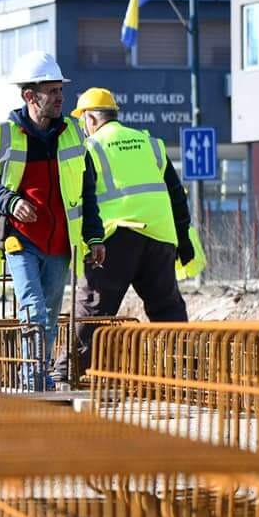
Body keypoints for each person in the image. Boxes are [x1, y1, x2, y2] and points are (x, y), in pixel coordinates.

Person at [0, 51, 105, 390]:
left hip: (60, 245)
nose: (61, 97)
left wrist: (95, 237)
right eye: (52, 91)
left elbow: (87, 191)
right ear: (30, 96)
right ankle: (33, 380)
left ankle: (37, 375)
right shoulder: (0, 137)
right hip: (20, 240)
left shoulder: (74, 135)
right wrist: (11, 202)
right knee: (34, 309)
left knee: (50, 318)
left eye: (61, 90)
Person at [72, 87, 194, 337]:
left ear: (90, 118)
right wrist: (183, 240)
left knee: (93, 314)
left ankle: (71, 363)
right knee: (168, 311)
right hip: (160, 237)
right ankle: (182, 361)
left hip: (114, 239)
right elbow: (177, 196)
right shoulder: (151, 144)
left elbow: (81, 198)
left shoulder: (90, 147)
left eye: (82, 121)